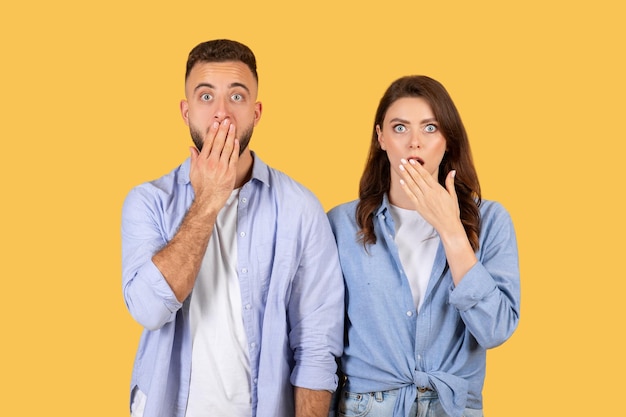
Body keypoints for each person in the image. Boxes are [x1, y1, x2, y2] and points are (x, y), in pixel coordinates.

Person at [121, 39, 344, 417]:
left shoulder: (300, 208)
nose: (221, 114)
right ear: (185, 110)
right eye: (206, 97)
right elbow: (149, 309)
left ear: (256, 112)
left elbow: (316, 344)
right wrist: (209, 198)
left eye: (236, 97)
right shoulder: (148, 201)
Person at [327, 75, 520, 417]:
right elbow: (321, 338)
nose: (414, 142)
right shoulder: (342, 223)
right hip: (367, 408)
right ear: (381, 138)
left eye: (430, 128)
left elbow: (496, 329)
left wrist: (451, 230)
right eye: (400, 128)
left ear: (448, 139)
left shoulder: (491, 220)